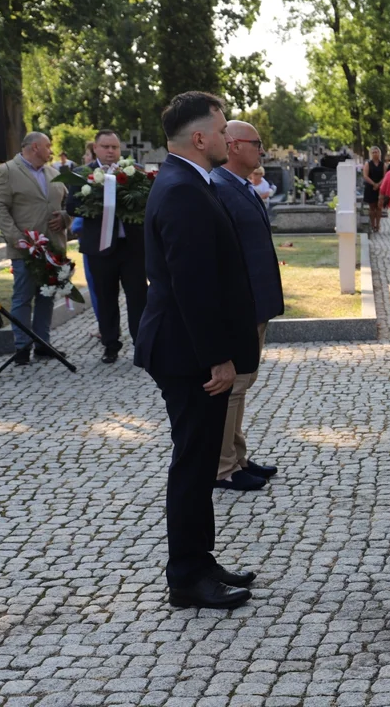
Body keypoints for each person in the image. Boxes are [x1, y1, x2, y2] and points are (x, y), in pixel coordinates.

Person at [134, 91, 260, 610]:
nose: (229, 136)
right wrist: (217, 355)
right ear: (201, 137)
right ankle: (186, 576)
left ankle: (199, 559)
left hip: (188, 348)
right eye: (222, 127)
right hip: (188, 354)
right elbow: (192, 284)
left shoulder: (187, 181)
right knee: (192, 464)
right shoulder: (183, 188)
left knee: (202, 459)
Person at [210, 121, 285, 492]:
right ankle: (223, 467)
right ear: (234, 145)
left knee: (244, 383)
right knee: (235, 386)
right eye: (256, 143)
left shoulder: (240, 185)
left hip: (256, 302)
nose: (262, 150)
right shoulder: (220, 187)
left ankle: (237, 454)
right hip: (241, 305)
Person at [0, 133, 70, 366]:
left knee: (46, 297)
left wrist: (65, 218)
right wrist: (15, 238)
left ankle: (43, 344)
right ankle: (22, 346)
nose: (51, 150)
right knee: (23, 297)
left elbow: (66, 205)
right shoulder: (7, 171)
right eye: (47, 146)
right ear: (35, 147)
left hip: (53, 248)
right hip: (25, 250)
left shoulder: (54, 173)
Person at [67, 129, 148, 364]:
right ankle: (110, 344)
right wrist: (96, 201)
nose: (111, 151)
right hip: (100, 247)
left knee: (138, 297)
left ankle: (141, 344)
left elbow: (145, 201)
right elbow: (72, 206)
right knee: (105, 297)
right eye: (106, 147)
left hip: (132, 247)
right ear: (95, 148)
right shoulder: (82, 174)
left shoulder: (133, 172)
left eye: (115, 147)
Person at [362, 147, 386, 233]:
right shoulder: (368, 164)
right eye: (373, 152)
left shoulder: (383, 164)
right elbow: (365, 175)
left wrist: (379, 184)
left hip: (380, 188)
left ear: (379, 153)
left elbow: (385, 176)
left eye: (376, 152)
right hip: (370, 188)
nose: (375, 154)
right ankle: (372, 225)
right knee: (372, 208)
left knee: (379, 207)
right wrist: (374, 184)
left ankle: (378, 225)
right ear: (371, 154)